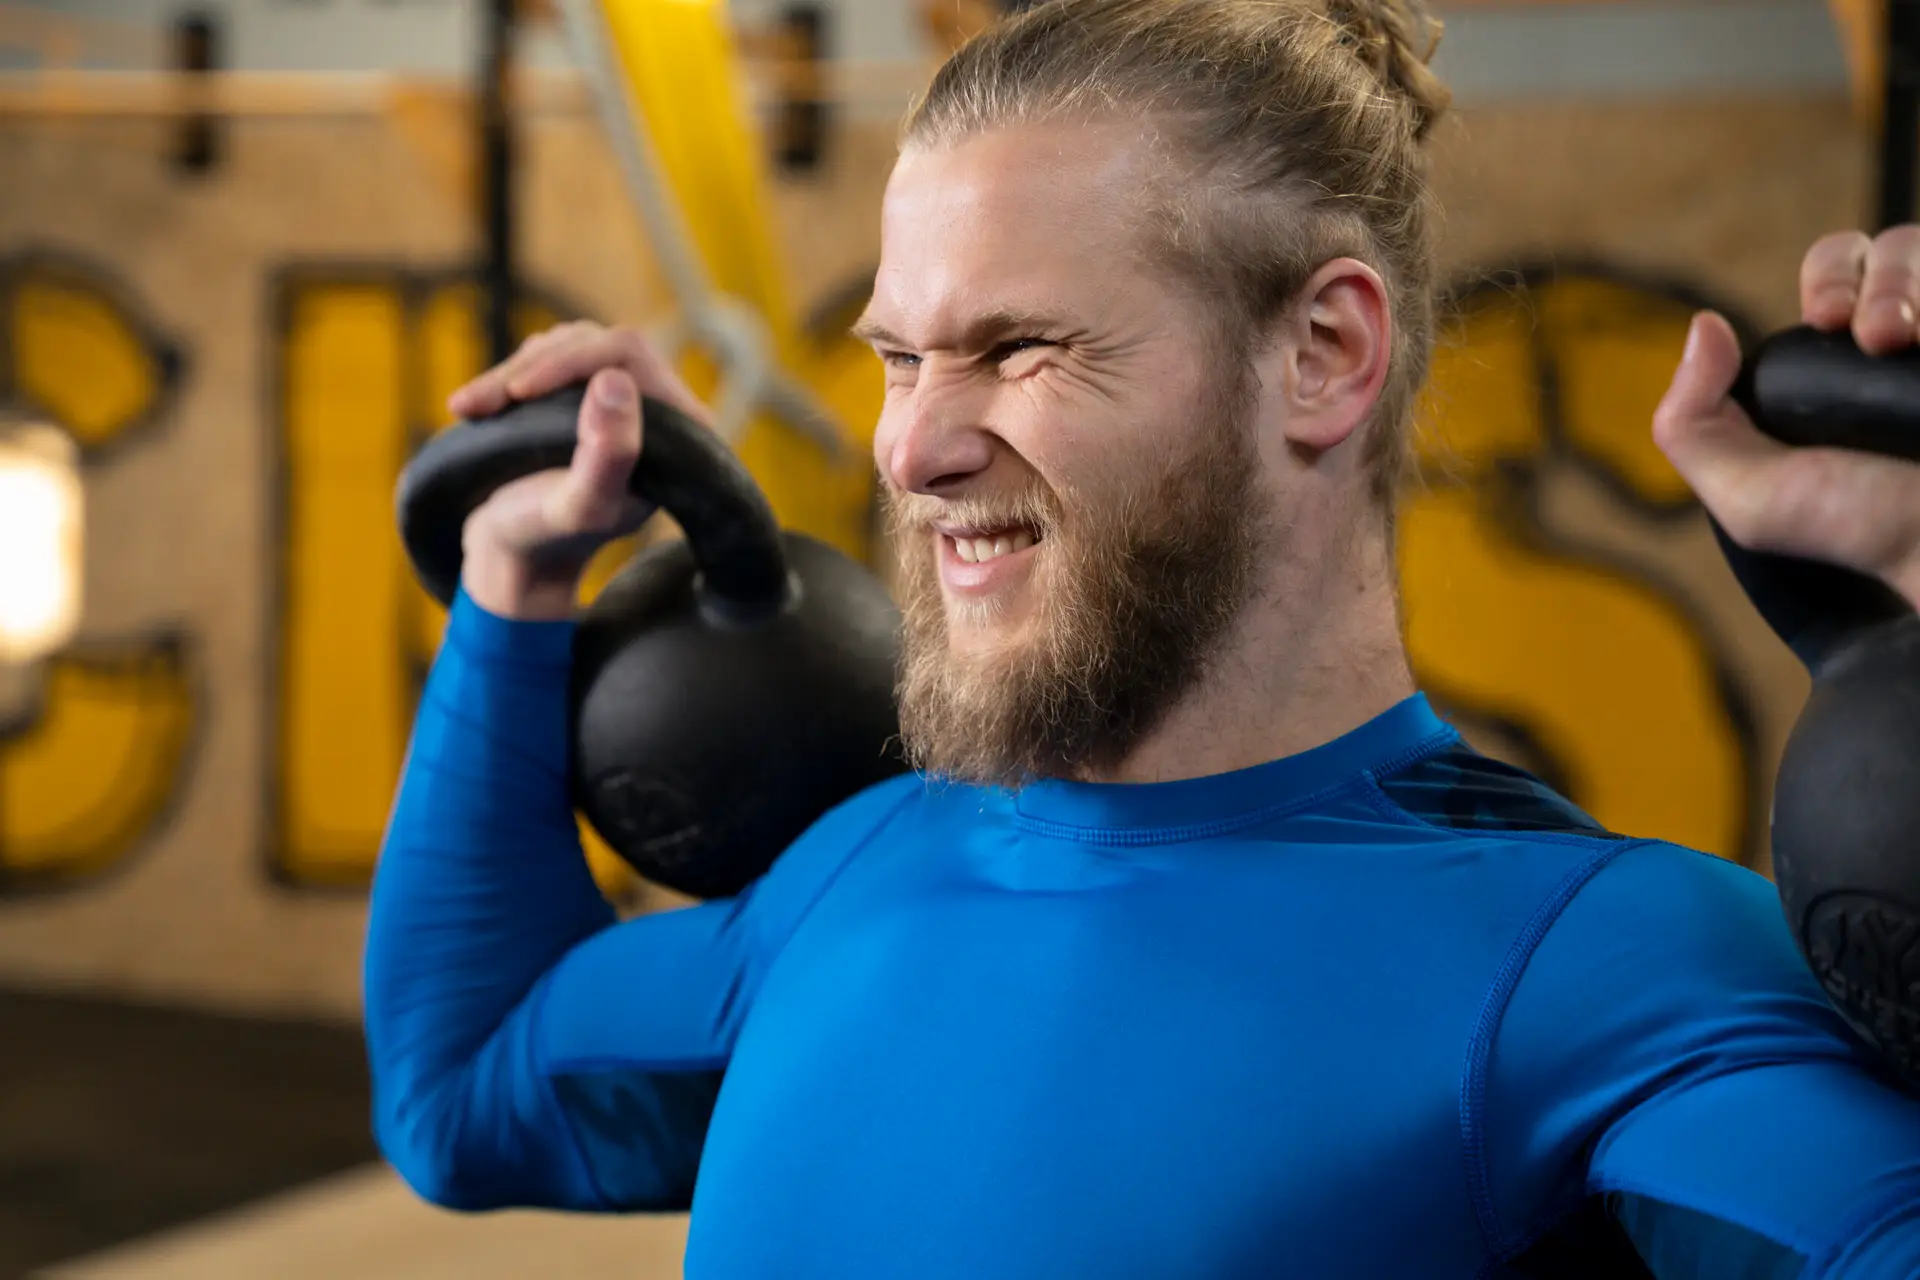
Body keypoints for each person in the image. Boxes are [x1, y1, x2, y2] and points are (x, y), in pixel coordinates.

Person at [361, 0, 1920, 1273]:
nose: (911, 448)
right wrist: (517, 586)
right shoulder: (856, 869)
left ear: (1323, 355)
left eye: (1017, 348)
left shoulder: (1600, 969)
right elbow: (465, 1086)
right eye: (901, 357)